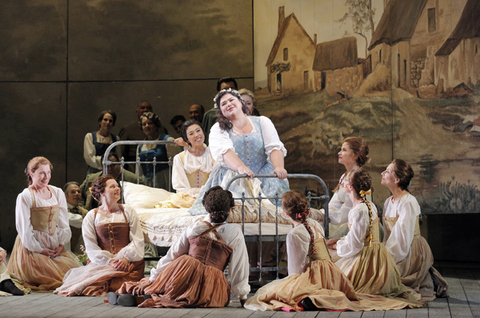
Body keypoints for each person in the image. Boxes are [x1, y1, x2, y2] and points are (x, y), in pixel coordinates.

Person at [245, 190, 422, 312]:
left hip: (314, 272)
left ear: (286, 214)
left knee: (273, 294)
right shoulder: (314, 224)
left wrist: (291, 284)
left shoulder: (294, 234)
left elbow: (296, 269)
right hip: (330, 271)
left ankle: (312, 299)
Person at [112, 186, 250, 308]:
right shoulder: (235, 232)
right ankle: (152, 295)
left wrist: (154, 278)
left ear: (206, 208)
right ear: (230, 209)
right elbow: (239, 267)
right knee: (184, 293)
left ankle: (147, 294)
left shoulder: (195, 227)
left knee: (173, 278)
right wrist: (242, 295)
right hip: (212, 286)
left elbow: (173, 255)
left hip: (185, 275)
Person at [189, 88, 289, 215]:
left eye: (231, 100)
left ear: (240, 102)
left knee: (278, 212)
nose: (228, 104)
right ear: (220, 111)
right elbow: (225, 152)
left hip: (264, 175)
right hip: (233, 176)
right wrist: (241, 167)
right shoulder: (218, 128)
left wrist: (279, 167)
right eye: (223, 104)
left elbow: (274, 147)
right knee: (233, 211)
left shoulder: (262, 121)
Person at [330, 168, 416, 299]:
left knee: (332, 280)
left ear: (351, 187)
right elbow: (359, 236)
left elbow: (355, 245)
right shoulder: (368, 205)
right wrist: (339, 241)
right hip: (375, 253)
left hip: (367, 257)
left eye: (345, 181)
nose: (341, 184)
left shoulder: (359, 210)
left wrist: (339, 246)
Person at [55, 175, 145, 297]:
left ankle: (120, 294)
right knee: (91, 287)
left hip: (128, 264)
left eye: (117, 186)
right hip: (103, 263)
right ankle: (117, 295)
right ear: (102, 192)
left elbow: (137, 241)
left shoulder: (128, 211)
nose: (117, 189)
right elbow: (91, 247)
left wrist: (125, 258)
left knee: (119, 283)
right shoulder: (92, 216)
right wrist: (110, 261)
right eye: (112, 186)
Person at [8, 157, 81, 291]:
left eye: (48, 173)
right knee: (55, 278)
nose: (46, 177)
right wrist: (40, 249)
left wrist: (61, 244)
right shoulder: (25, 196)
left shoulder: (57, 192)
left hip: (54, 245)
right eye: (41, 173)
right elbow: (24, 229)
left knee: (76, 275)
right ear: (31, 173)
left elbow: (63, 222)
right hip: (32, 248)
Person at [381, 159, 448, 300]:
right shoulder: (388, 202)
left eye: (387, 171)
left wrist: (387, 257)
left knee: (386, 281)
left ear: (397, 179)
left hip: (410, 250)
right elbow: (389, 234)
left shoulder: (408, 202)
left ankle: (428, 279)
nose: (382, 173)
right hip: (395, 246)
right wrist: (383, 253)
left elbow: (403, 237)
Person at [328, 137, 370, 238]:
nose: (339, 153)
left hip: (350, 225)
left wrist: (324, 215)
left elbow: (346, 214)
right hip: (338, 220)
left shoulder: (357, 179)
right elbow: (333, 203)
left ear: (355, 155)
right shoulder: (344, 177)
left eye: (344, 150)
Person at [172, 120, 216, 197]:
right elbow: (180, 187)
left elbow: (217, 182)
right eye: (191, 134)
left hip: (210, 198)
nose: (196, 135)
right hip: (187, 198)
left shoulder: (214, 156)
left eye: (198, 131)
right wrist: (193, 196)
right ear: (186, 139)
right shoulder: (179, 158)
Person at [137, 111, 178, 189]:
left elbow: (176, 165)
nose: (147, 126)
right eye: (144, 124)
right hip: (147, 183)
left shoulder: (167, 141)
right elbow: (139, 170)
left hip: (165, 180)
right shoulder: (141, 145)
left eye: (150, 123)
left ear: (156, 126)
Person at [119, 101, 153, 171]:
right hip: (133, 167)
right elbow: (122, 152)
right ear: (137, 111)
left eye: (148, 108)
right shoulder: (128, 129)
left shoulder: (160, 129)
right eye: (142, 108)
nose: (145, 110)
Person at [202, 77, 238, 145]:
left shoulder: (246, 111)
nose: (228, 92)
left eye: (231, 89)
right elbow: (206, 141)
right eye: (224, 90)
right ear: (218, 92)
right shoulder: (210, 115)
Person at [83, 110, 119, 176]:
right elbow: (89, 158)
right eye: (105, 120)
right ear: (100, 121)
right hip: (94, 172)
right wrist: (103, 164)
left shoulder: (115, 139)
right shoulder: (90, 137)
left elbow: (118, 158)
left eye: (110, 121)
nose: (107, 122)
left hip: (110, 172)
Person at [64, 181, 88, 254]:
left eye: (78, 192)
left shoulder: (86, 213)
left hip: (81, 253)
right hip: (64, 252)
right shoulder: (60, 210)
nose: (77, 194)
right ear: (65, 196)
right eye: (73, 192)